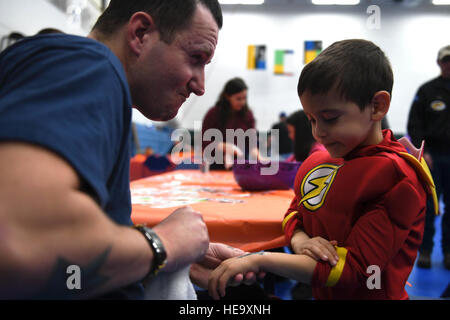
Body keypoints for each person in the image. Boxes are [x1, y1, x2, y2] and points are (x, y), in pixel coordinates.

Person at [0, 0, 254, 300]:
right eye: (196, 57)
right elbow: (21, 241)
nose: (200, 86)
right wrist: (161, 245)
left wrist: (147, 261)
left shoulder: (88, 76)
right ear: (140, 33)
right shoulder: (88, 65)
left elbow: (66, 271)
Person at [208, 39, 438, 300]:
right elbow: (295, 212)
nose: (318, 131)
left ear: (376, 106)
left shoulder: (398, 177)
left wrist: (259, 261)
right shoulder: (320, 161)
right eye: (311, 120)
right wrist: (301, 240)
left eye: (329, 118)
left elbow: (353, 269)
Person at [407, 45, 450, 269]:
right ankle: (424, 251)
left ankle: (449, 252)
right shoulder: (426, 91)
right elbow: (415, 125)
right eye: (446, 60)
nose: (449, 64)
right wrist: (423, 153)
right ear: (439, 62)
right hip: (432, 158)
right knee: (429, 207)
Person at [201, 77, 257, 170]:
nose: (242, 102)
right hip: (216, 164)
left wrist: (260, 158)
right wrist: (226, 147)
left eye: (244, 98)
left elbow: (252, 144)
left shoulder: (248, 115)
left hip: (240, 164)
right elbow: (205, 142)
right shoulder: (213, 114)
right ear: (227, 97)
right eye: (238, 99)